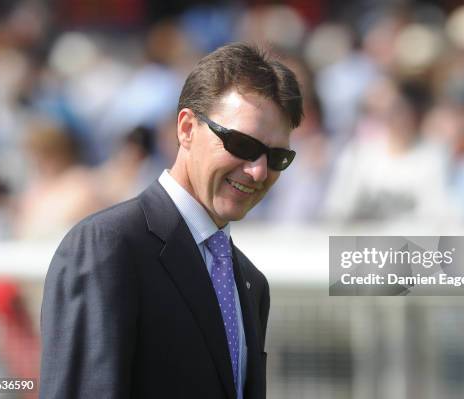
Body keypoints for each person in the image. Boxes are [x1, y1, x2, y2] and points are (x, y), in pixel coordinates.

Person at [39, 43, 303, 399]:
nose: (258, 170)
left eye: (277, 157)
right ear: (187, 128)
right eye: (242, 144)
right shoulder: (109, 246)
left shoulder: (251, 282)